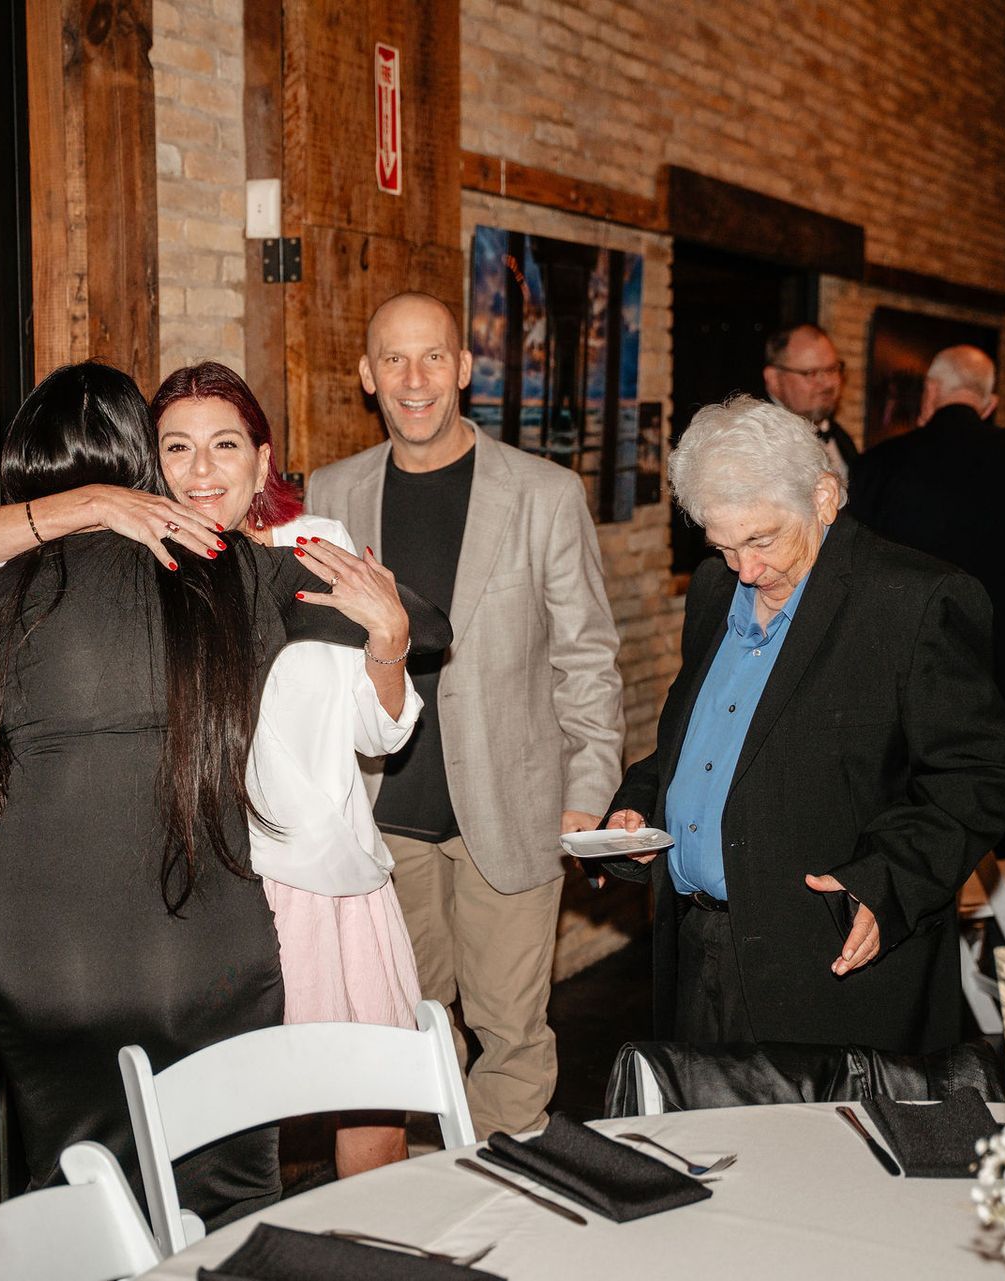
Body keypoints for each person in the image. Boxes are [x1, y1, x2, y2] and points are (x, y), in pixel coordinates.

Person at [0, 362, 449, 1220]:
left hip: (45, 957)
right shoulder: (237, 576)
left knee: (83, 1203)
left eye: (221, 445)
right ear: (147, 462)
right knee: (224, 1206)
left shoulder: (2, 595)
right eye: (175, 447)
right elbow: (428, 627)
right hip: (209, 947)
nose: (197, 466)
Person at [601, 394, 1005, 1054]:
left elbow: (978, 777)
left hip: (828, 971)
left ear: (824, 496)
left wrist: (889, 882)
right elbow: (695, 744)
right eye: (723, 544)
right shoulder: (715, 590)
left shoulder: (914, 600)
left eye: (763, 539)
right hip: (698, 951)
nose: (746, 568)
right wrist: (639, 807)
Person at [305, 291, 624, 1138]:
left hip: (509, 811)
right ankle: (428, 1220)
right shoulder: (331, 494)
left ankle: (507, 1211)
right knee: (411, 1030)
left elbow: (587, 657)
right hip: (382, 816)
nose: (416, 380)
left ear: (465, 368)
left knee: (512, 1035)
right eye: (395, 360)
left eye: (434, 357)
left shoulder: (544, 494)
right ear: (366, 374)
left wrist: (587, 791)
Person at [850, 346, 1005, 863]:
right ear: (989, 403)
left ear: (930, 393)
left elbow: (857, 568)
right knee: (1004, 814)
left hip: (911, 673)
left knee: (915, 827)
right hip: (1003, 668)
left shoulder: (881, 463)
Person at [762, 323, 857, 481]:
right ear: (774, 379)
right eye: (811, 373)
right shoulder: (755, 440)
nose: (827, 384)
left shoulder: (843, 440)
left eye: (832, 369)